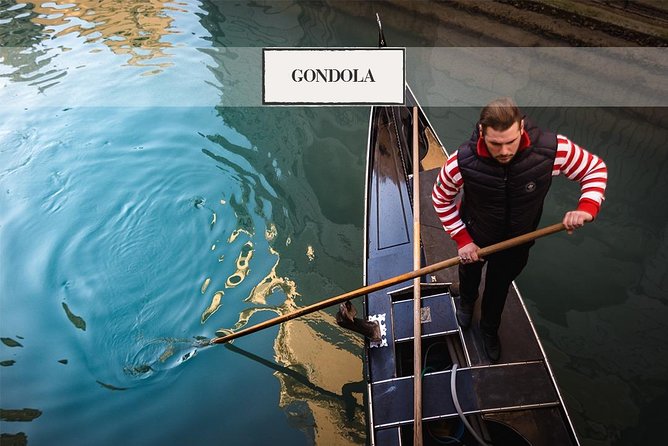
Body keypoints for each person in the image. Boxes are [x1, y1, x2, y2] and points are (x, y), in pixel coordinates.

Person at [432, 97, 607, 362]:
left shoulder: (551, 150)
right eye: (496, 144)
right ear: (481, 132)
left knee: (499, 287)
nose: (504, 151)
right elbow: (441, 198)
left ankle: (489, 329)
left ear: (522, 127)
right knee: (469, 273)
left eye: (510, 142)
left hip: (518, 241)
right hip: (475, 235)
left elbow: (594, 169)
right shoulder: (460, 162)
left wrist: (586, 207)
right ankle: (466, 302)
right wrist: (463, 240)